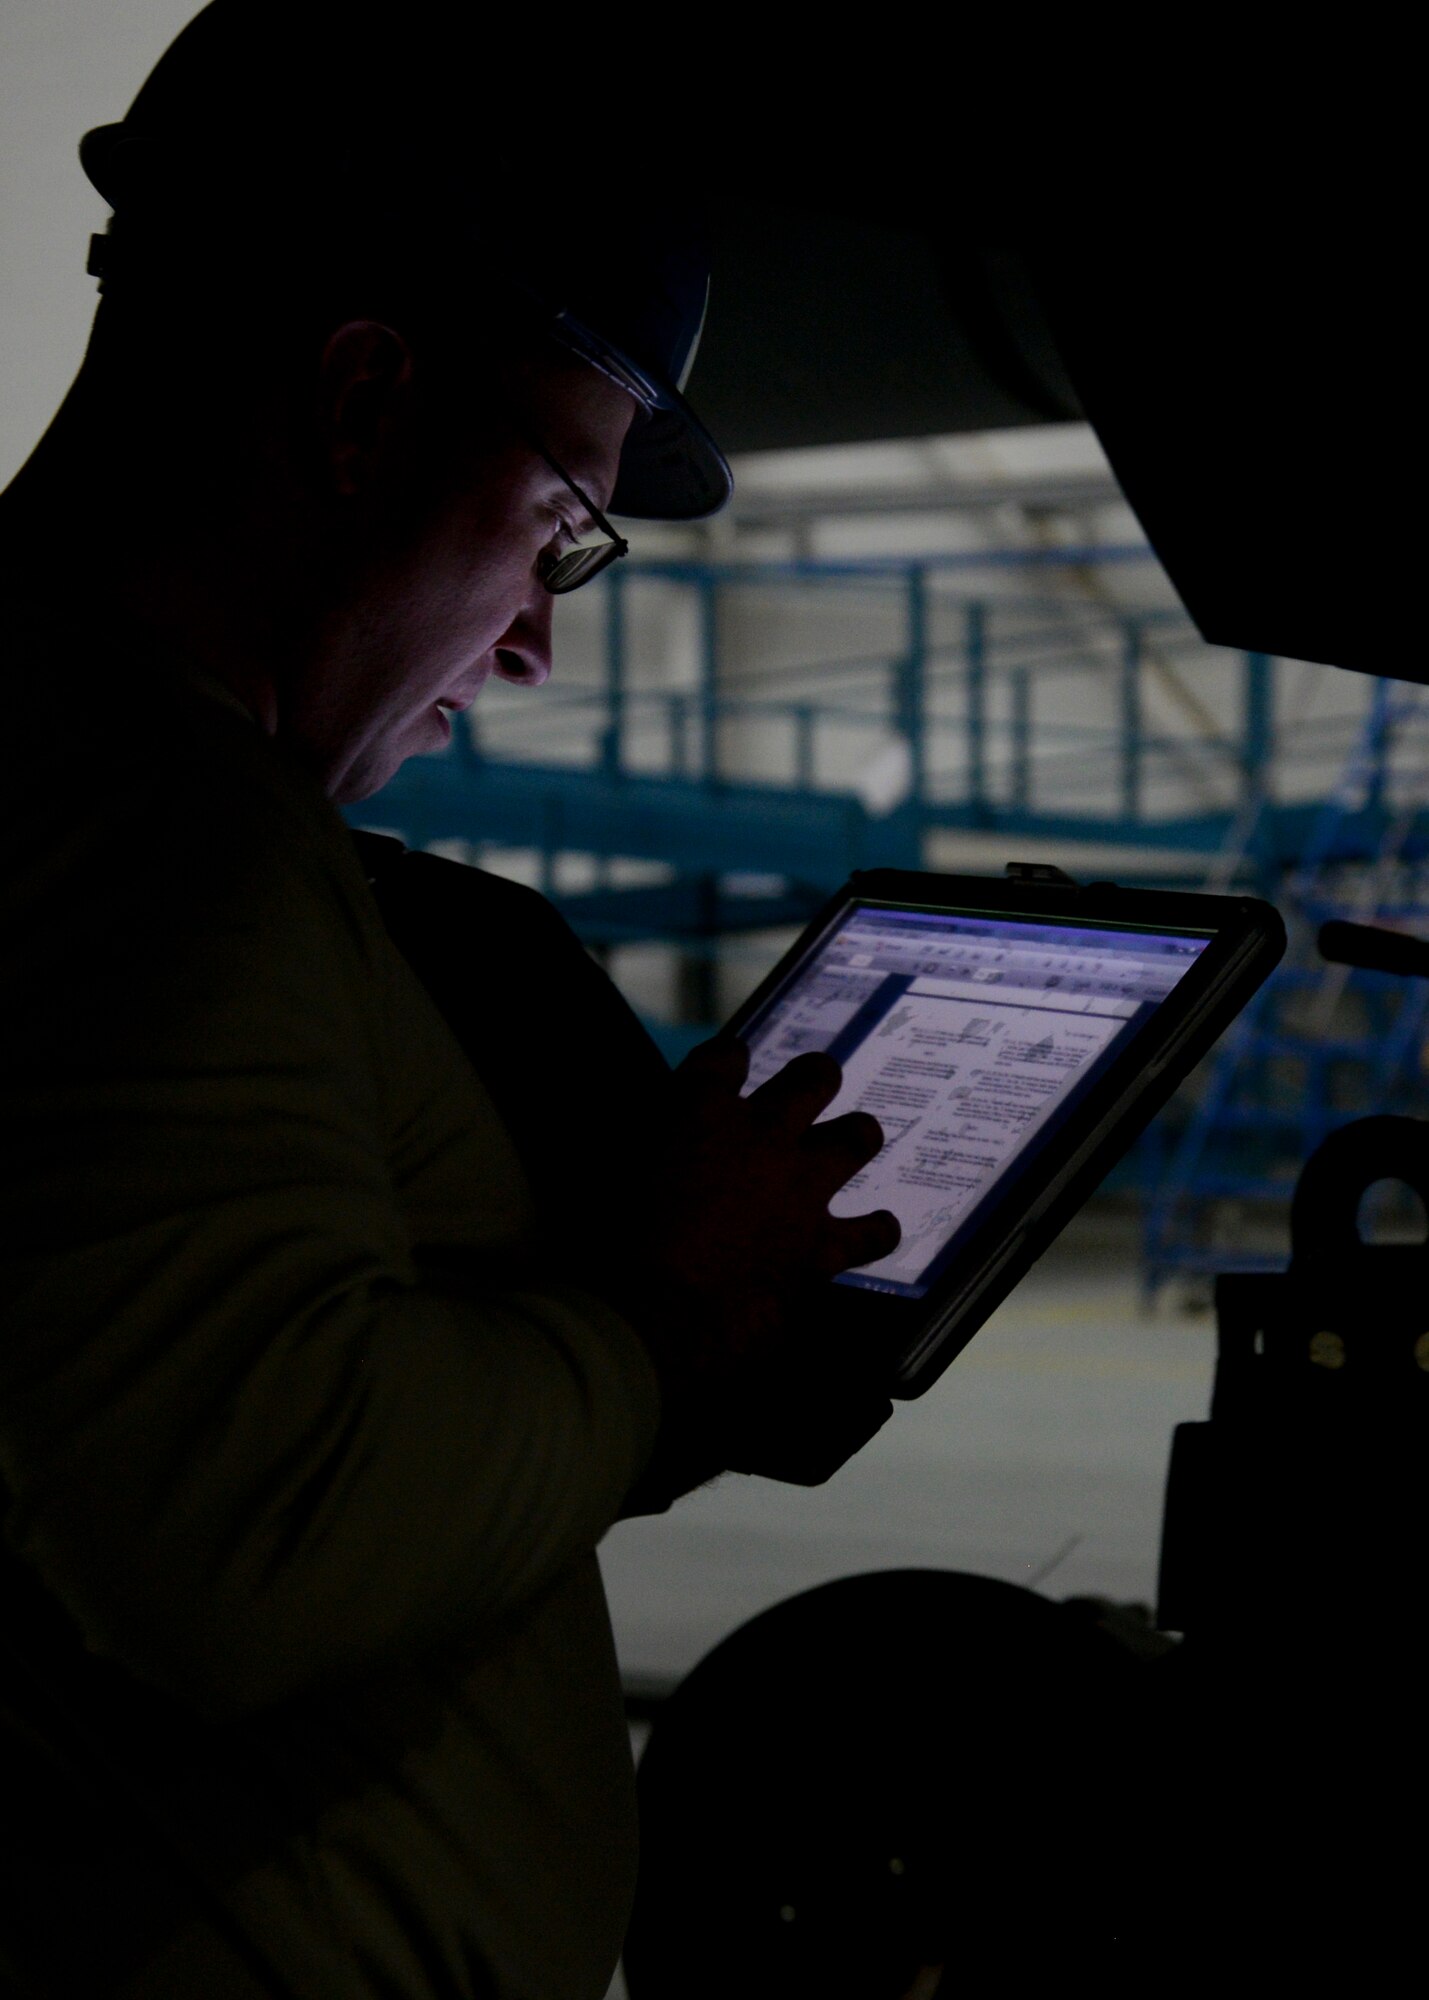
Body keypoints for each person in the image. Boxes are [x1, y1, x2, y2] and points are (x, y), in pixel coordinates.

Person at [0, 5, 899, 1995]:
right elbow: (249, 1529)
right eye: (563, 528)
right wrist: (661, 1313)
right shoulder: (158, 835)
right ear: (358, 406)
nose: (529, 654)